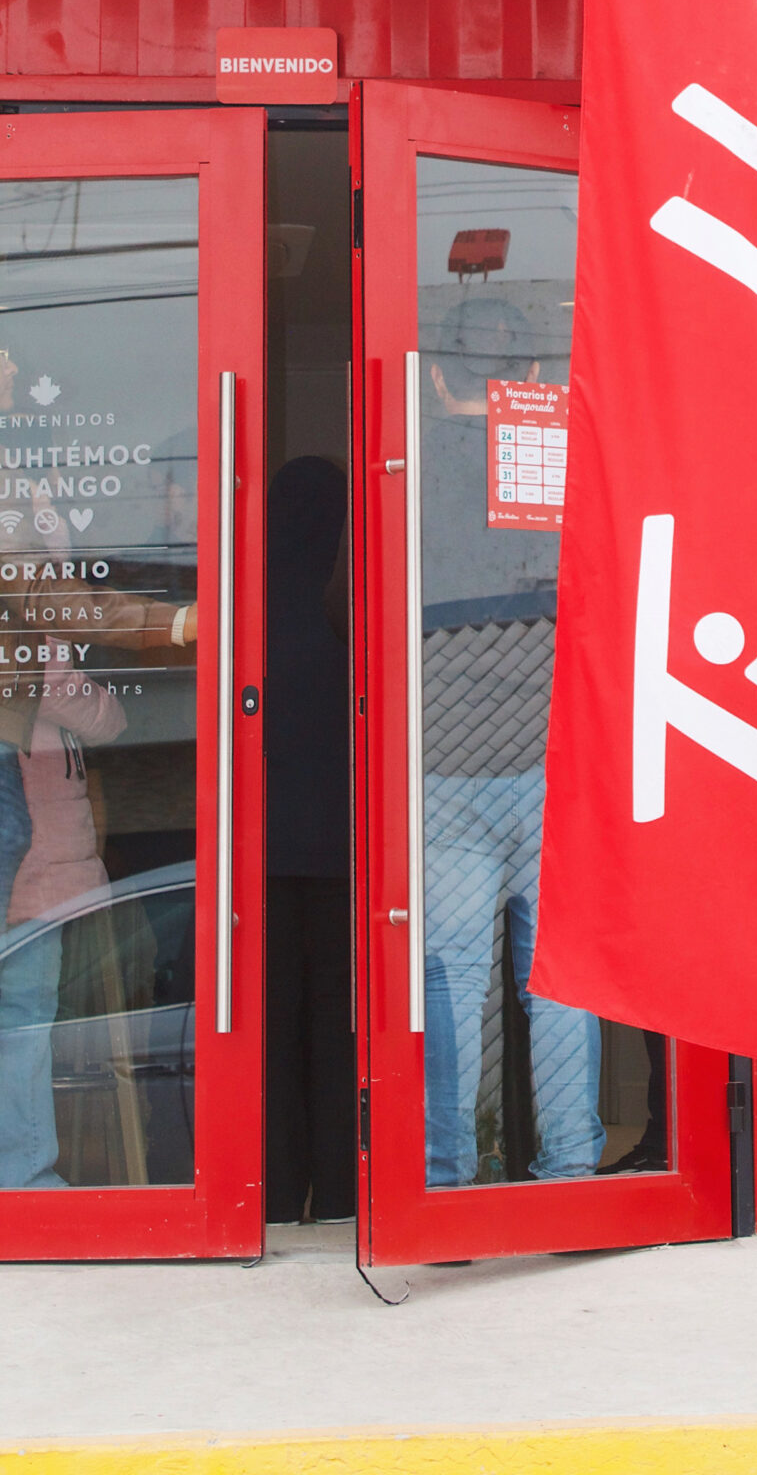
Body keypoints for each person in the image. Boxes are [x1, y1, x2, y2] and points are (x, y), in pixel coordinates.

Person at [420, 292, 602, 1186]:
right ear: (533, 373)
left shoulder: (404, 470)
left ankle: (444, 1176)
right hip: (550, 757)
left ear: (435, 374)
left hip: (443, 762)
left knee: (451, 978)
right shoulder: (561, 466)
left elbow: (346, 607)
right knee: (560, 976)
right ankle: (570, 1170)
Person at [263, 456, 356, 1224]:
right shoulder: (352, 599)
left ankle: (273, 1188)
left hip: (261, 851)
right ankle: (340, 1193)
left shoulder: (248, 597)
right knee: (337, 1023)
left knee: (270, 1026)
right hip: (342, 849)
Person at [0, 659, 126, 1189]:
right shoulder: (28, 635)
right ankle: (23, 1179)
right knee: (23, 1017)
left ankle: (23, 1175)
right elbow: (106, 718)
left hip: (35, 862)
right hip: (36, 863)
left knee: (22, 1017)